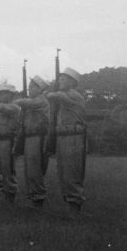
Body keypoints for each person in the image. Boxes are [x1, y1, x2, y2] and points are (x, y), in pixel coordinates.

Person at [46, 67, 87, 214]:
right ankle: (71, 206)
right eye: (59, 78)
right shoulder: (62, 97)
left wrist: (51, 90)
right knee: (63, 173)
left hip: (73, 138)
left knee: (72, 173)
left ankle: (75, 208)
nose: (59, 81)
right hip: (63, 138)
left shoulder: (74, 95)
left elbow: (53, 96)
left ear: (72, 82)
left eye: (63, 79)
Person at [13, 76, 50, 208]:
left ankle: (38, 198)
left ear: (40, 89)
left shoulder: (40, 101)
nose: (29, 88)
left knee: (35, 169)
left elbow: (23, 102)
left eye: (33, 86)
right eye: (29, 85)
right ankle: (34, 197)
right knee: (29, 170)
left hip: (38, 137)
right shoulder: (31, 102)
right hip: (29, 137)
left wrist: (16, 101)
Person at [0, 84, 21, 203]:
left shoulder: (15, 106)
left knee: (8, 168)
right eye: (1, 93)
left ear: (11, 95)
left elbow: (5, 108)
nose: (2, 95)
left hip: (8, 140)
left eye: (5, 93)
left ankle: (11, 194)